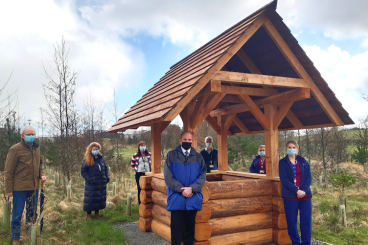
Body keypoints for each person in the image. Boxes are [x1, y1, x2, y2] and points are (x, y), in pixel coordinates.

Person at [4, 126, 46, 245]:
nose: (31, 136)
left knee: (32, 212)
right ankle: (15, 237)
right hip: (19, 188)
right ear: (22, 135)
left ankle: (29, 233)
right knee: (17, 214)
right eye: (28, 134)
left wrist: (41, 175)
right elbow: (8, 171)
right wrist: (9, 189)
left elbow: (40, 165)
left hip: (34, 187)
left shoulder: (36, 148)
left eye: (33, 134)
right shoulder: (15, 149)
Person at [164, 131, 206, 245]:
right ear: (180, 140)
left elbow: (202, 176)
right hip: (176, 198)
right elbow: (168, 176)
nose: (187, 142)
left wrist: (192, 188)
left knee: (189, 230)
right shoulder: (171, 155)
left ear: (192, 141)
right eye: (185, 139)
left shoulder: (198, 157)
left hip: (193, 198)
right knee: (176, 231)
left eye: (189, 140)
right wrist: (181, 189)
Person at [279, 140, 312, 245]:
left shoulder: (302, 161)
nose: (291, 149)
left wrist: (304, 190)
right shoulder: (282, 162)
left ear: (297, 149)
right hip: (290, 196)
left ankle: (306, 242)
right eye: (289, 147)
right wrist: (296, 190)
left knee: (306, 221)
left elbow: (309, 177)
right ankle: (296, 242)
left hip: (305, 196)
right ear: (286, 148)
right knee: (292, 222)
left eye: (294, 147)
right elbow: (284, 179)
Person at [81, 142, 109, 220]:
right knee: (90, 199)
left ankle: (97, 213)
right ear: (90, 150)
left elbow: (105, 169)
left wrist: (106, 177)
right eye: (94, 149)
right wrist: (89, 179)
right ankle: (89, 214)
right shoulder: (87, 159)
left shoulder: (101, 158)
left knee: (99, 198)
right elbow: (83, 171)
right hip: (91, 183)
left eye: (97, 149)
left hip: (101, 183)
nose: (95, 150)